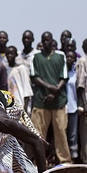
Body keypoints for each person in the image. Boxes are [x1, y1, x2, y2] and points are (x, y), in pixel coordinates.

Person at [30, 31, 71, 165]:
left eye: (48, 40)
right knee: (38, 134)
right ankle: (39, 162)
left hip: (58, 101)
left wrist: (55, 91)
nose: (46, 43)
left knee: (60, 133)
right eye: (44, 40)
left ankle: (64, 161)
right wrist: (49, 87)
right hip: (41, 100)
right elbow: (34, 77)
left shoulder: (60, 56)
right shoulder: (36, 57)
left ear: (53, 41)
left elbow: (64, 76)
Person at [64, 50, 78, 161]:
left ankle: (73, 157)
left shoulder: (76, 72)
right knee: (62, 134)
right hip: (62, 107)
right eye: (67, 56)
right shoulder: (61, 71)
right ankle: (63, 157)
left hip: (73, 107)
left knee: (73, 135)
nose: (69, 59)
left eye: (72, 57)